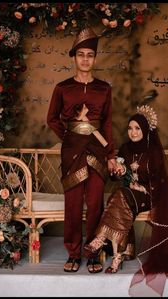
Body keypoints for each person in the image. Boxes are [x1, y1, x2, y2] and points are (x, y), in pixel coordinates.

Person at [84, 105, 168, 296]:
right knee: (121, 196)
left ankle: (102, 240)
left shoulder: (153, 150)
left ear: (145, 130)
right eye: (130, 128)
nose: (133, 132)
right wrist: (119, 172)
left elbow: (161, 181)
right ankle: (117, 256)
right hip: (130, 196)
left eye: (137, 128)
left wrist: (144, 187)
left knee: (120, 197)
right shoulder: (125, 149)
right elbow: (117, 178)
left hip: (151, 195)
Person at [47, 27, 116, 274]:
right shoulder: (62, 87)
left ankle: (93, 252)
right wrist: (68, 136)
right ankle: (74, 253)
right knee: (73, 204)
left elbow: (107, 123)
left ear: (94, 59)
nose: (85, 59)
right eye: (81, 54)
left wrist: (110, 155)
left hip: (97, 151)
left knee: (96, 203)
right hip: (72, 152)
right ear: (74, 58)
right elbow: (52, 119)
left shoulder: (104, 88)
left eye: (90, 55)